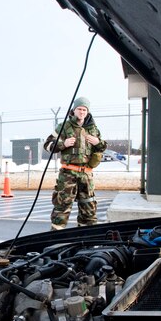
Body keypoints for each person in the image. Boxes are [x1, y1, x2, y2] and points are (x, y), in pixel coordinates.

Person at [44, 97, 107, 229]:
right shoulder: (64, 127)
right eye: (79, 109)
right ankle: (55, 240)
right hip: (68, 175)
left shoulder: (93, 129)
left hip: (87, 176)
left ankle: (86, 240)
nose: (82, 112)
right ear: (74, 110)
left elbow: (102, 147)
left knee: (89, 209)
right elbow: (47, 145)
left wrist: (98, 143)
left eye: (84, 109)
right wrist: (63, 144)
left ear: (88, 112)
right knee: (62, 207)